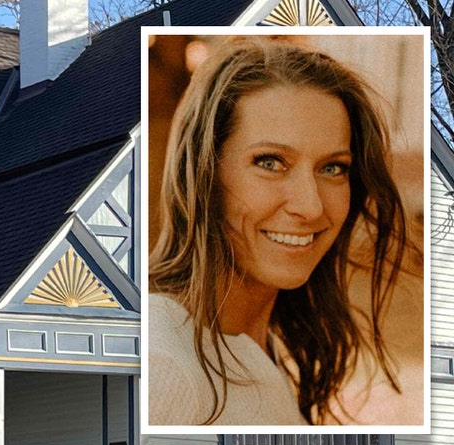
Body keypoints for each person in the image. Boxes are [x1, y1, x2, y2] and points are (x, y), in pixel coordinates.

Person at [149, 37, 407, 425]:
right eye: (270, 162)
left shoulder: (259, 343)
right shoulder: (164, 364)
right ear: (204, 176)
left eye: (333, 168)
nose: (311, 206)